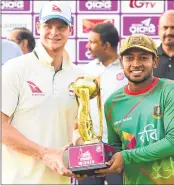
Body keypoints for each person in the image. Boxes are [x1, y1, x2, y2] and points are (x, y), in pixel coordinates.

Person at [2, 1, 84, 184]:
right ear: (38, 27)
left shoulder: (80, 77)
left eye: (61, 27)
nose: (54, 32)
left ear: (71, 29)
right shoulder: (14, 69)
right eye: (48, 26)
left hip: (59, 181)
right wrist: (44, 154)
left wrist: (85, 155)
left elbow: (79, 128)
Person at [95, 33, 174, 184]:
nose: (136, 63)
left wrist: (126, 156)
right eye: (129, 58)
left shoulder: (169, 90)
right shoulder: (112, 103)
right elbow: (116, 150)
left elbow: (172, 141)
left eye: (143, 57)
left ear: (155, 61)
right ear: (121, 62)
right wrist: (90, 163)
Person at [76, 23, 127, 185]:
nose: (87, 46)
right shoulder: (85, 71)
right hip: (89, 148)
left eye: (92, 42)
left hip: (120, 149)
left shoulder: (128, 70)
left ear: (106, 45)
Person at [153, 10, 174, 79]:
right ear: (159, 29)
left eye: (173, 28)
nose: (169, 32)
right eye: (165, 28)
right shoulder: (150, 58)